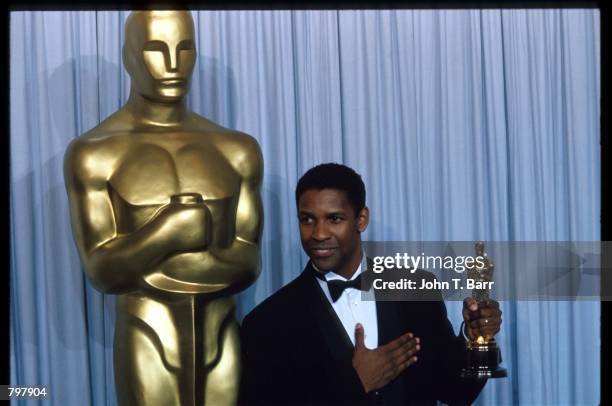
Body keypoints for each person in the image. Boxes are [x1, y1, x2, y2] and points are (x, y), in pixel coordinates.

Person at [63, 11, 263, 406]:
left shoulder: (237, 149)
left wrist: (153, 261)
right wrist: (168, 233)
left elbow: (250, 264)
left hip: (222, 331)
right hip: (146, 331)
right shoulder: (95, 153)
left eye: (184, 49)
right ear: (128, 56)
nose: (173, 65)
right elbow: (102, 272)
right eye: (156, 49)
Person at [239, 163, 502, 405]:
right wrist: (356, 384)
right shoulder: (267, 323)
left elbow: (455, 392)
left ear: (361, 220)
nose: (318, 234)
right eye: (307, 219)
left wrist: (474, 338)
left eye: (334, 219)